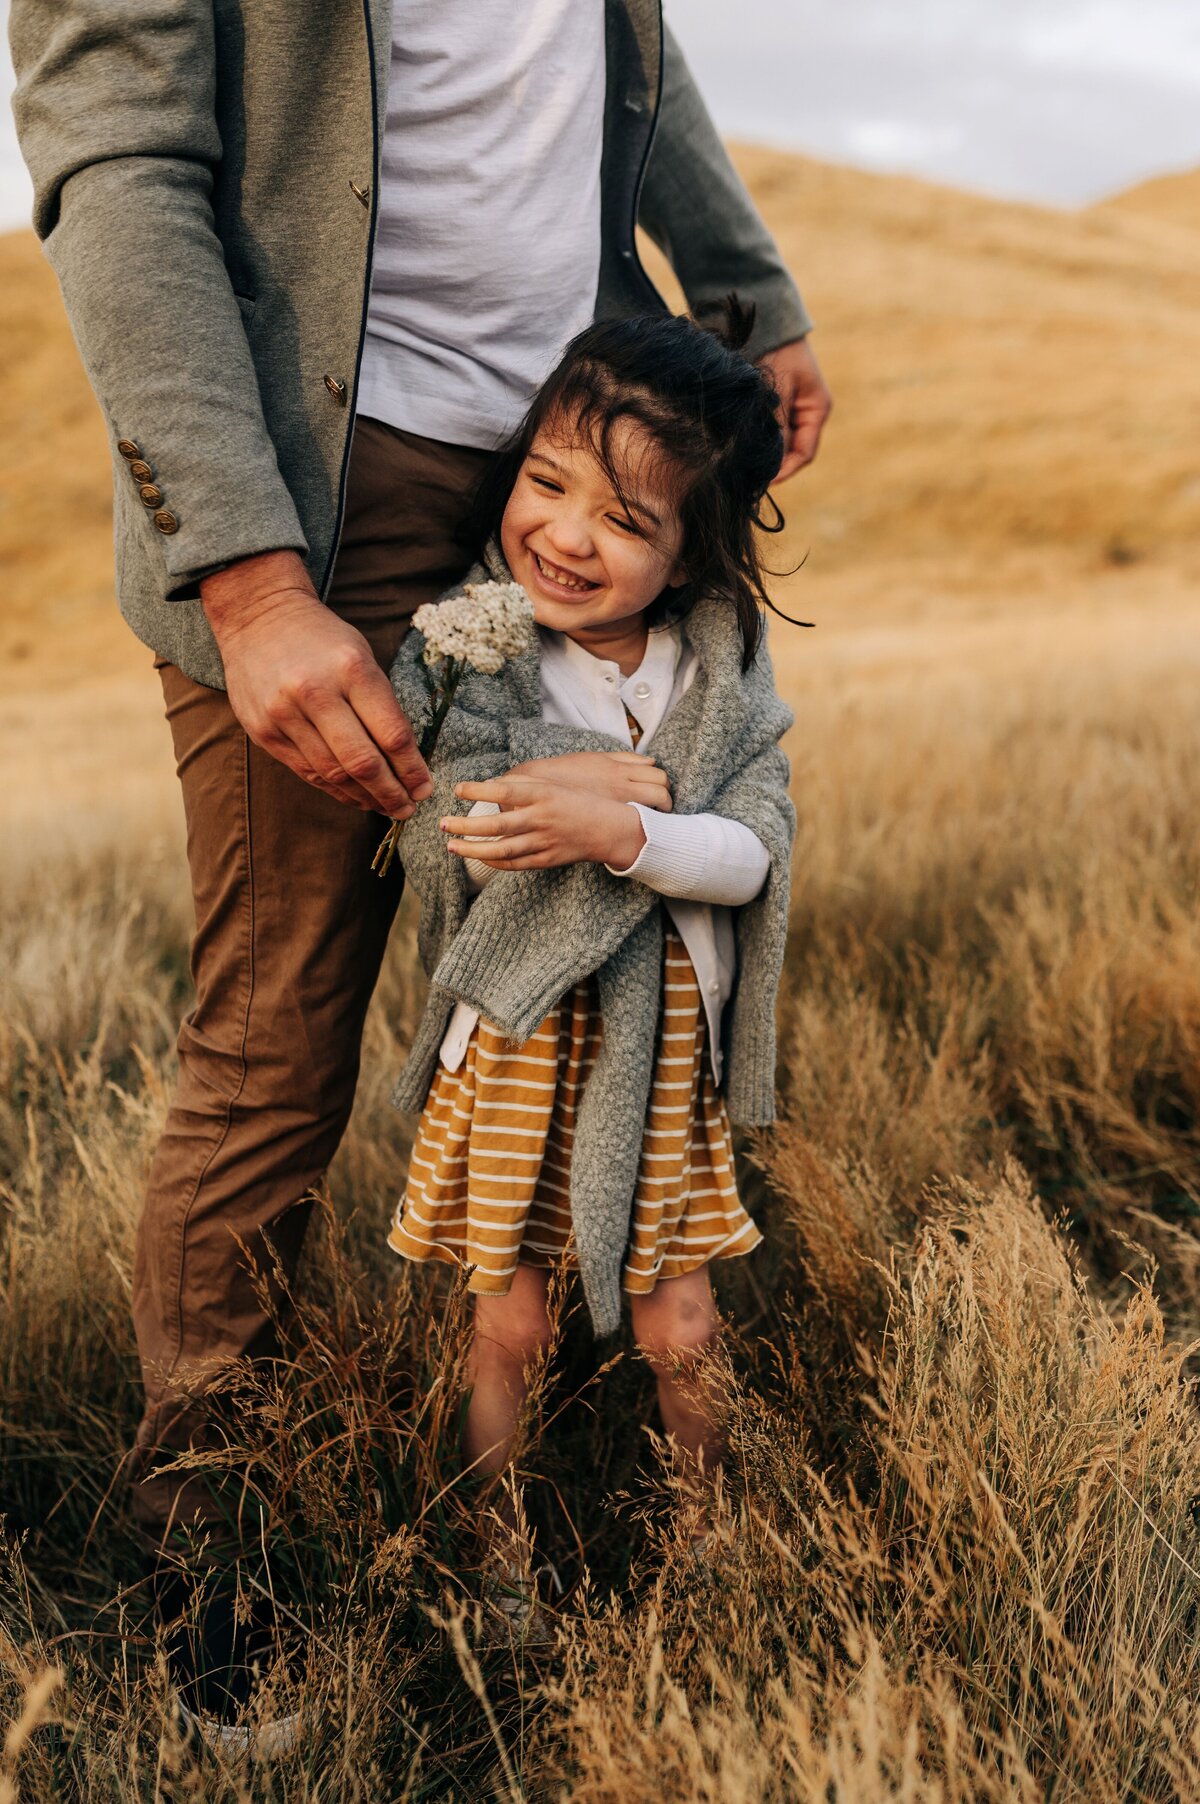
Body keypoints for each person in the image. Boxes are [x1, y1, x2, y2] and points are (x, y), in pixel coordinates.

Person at [10, 0, 827, 1731]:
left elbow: (619, 52)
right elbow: (115, 145)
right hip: (331, 470)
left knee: (607, 940)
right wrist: (246, 574)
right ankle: (207, 1570)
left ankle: (587, 1489)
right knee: (276, 1034)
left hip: (585, 440)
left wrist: (750, 300)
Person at [386, 306, 796, 1636]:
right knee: (508, 1327)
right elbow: (433, 821)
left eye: (625, 521)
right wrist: (538, 790)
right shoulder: (475, 643)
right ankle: (502, 1571)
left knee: (683, 1329)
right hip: (516, 1046)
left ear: (690, 554)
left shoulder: (717, 672)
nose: (566, 536)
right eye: (546, 485)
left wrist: (625, 831)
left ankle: (708, 1554)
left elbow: (754, 854)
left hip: (661, 1053)